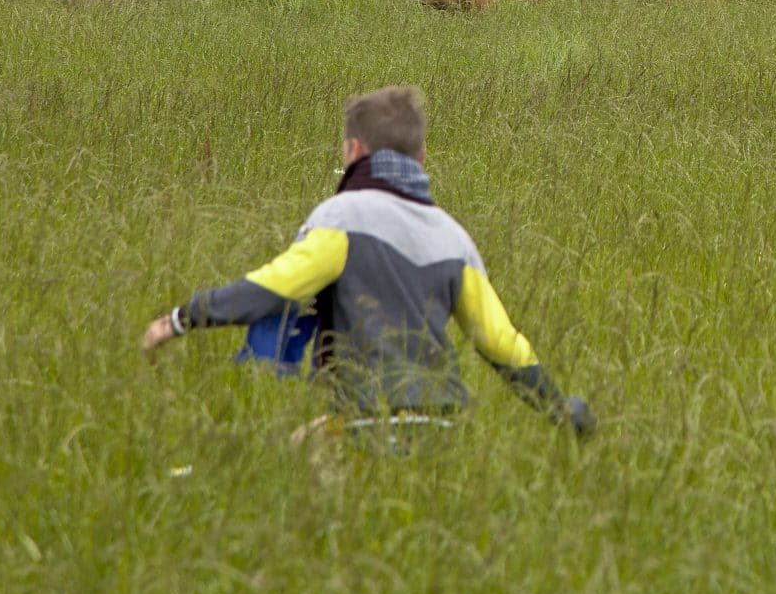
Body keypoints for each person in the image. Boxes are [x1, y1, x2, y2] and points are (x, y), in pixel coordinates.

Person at [139, 84, 593, 439]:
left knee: (288, 466)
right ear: (422, 158)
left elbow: (276, 287)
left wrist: (182, 318)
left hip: (367, 418)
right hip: (444, 424)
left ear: (354, 151)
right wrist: (559, 409)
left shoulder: (343, 217)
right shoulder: (454, 237)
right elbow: (501, 342)